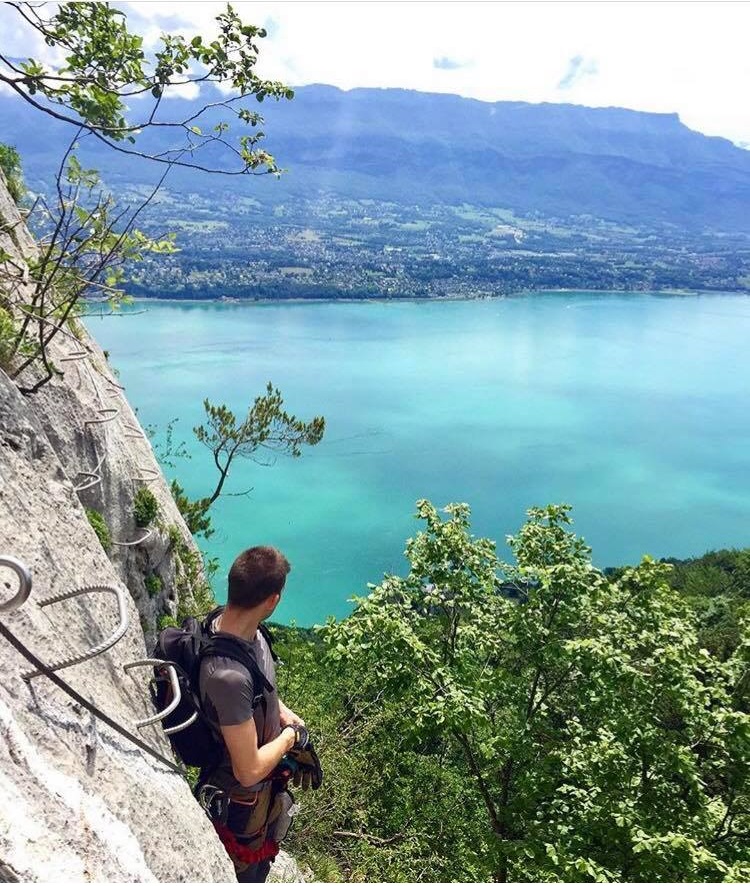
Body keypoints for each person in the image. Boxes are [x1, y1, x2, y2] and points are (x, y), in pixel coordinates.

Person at [197, 545, 308, 883]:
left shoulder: (246, 632)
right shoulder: (226, 676)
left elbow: (257, 688)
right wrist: (292, 738)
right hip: (238, 805)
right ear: (272, 600)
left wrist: (283, 713)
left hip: (261, 801)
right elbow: (248, 771)